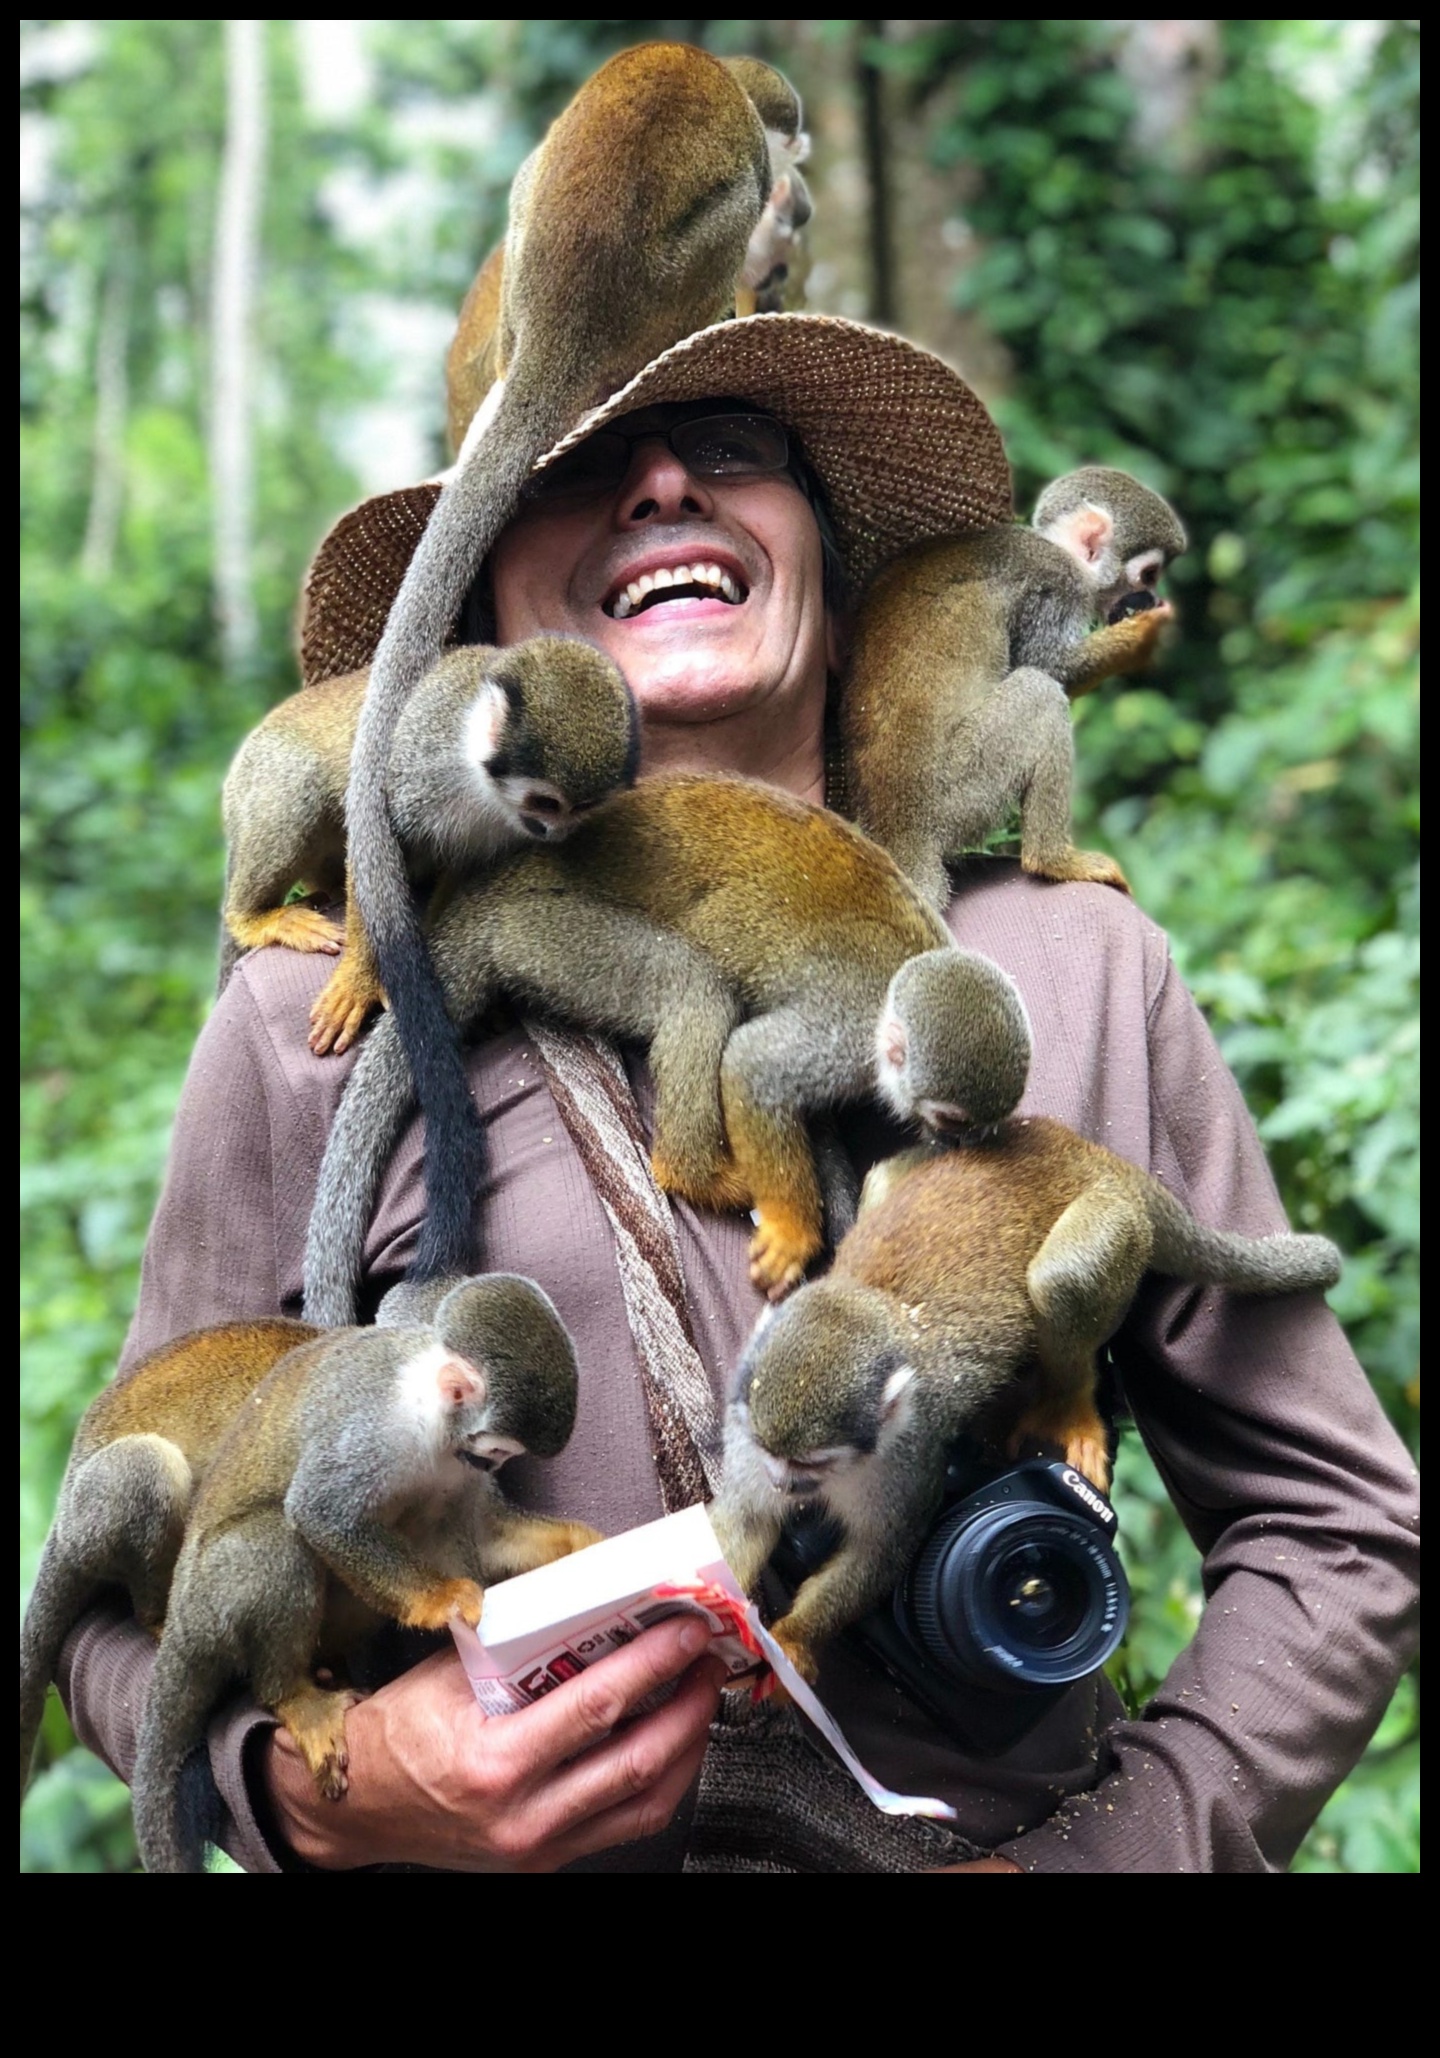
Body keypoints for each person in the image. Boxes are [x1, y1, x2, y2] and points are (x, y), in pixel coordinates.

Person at [55, 314, 1418, 1873]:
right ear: (492, 623)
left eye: (734, 450)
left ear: (847, 601)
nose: (657, 487)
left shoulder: (1072, 965)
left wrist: (1126, 1849)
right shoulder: (315, 1012)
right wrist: (322, 1784)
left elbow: (1340, 1522)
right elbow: (120, 1579)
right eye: (578, 466)